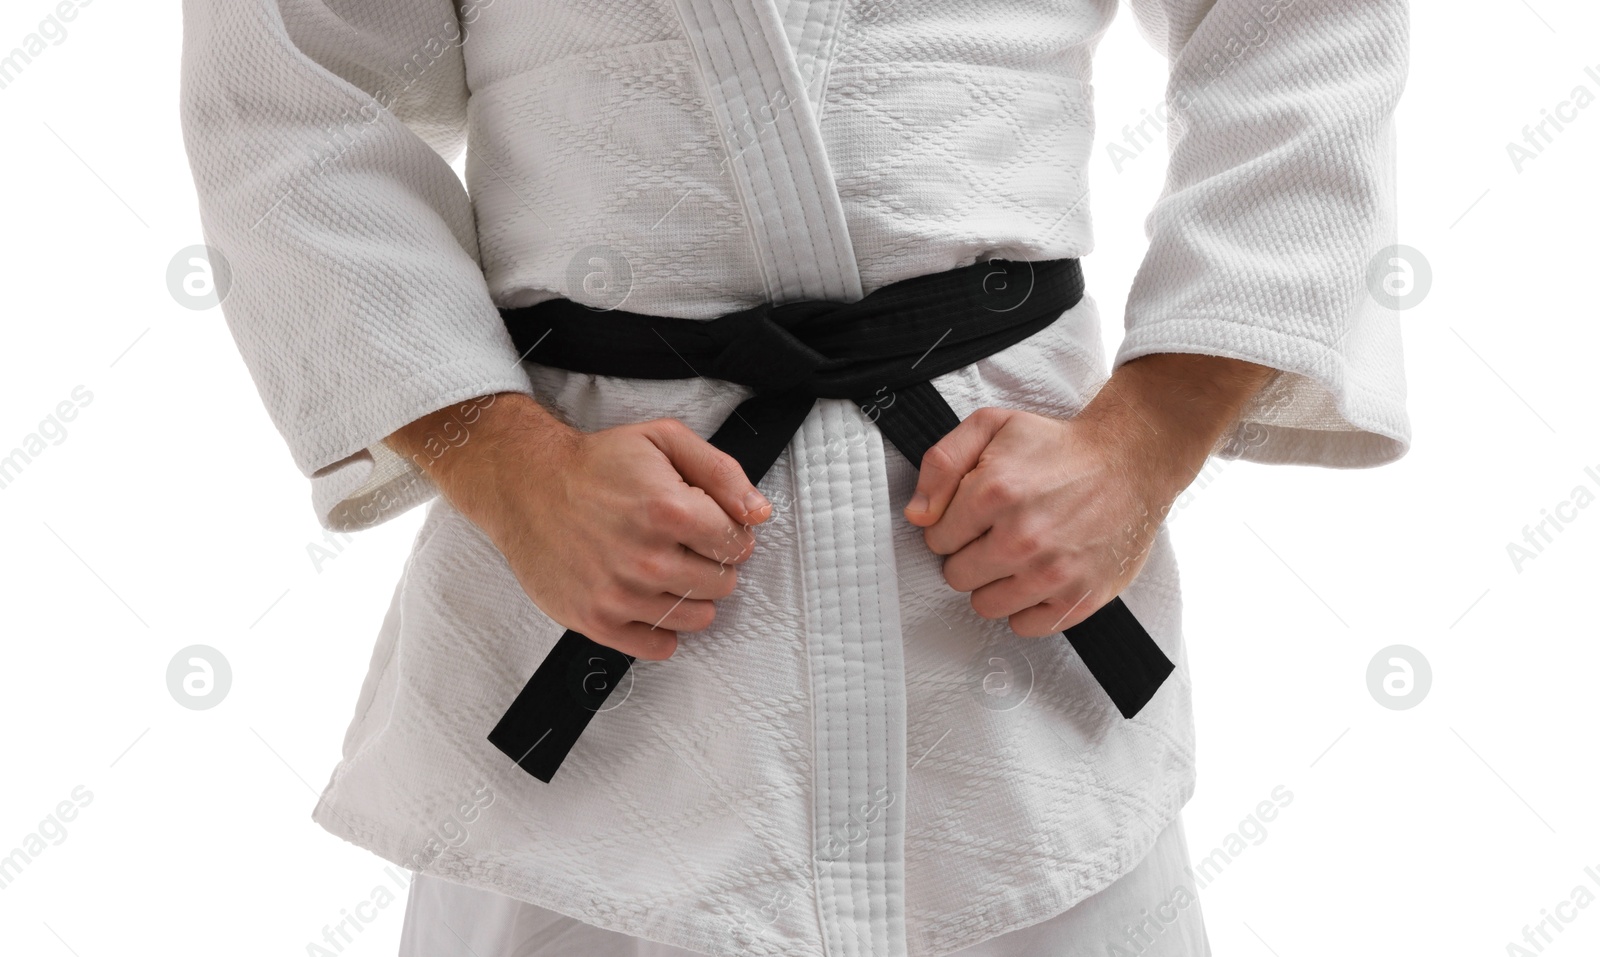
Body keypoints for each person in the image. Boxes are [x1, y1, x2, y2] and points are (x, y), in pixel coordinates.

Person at [178, 0, 1410, 954]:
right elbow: (289, 96)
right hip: (586, 593)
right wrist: (509, 469)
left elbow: (1301, 30)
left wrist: (1146, 438)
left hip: (1009, 601)